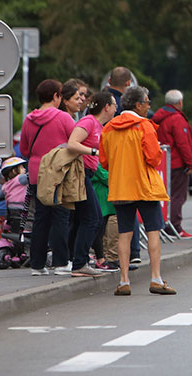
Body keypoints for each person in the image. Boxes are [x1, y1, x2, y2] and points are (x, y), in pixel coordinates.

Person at [100, 86, 175, 296]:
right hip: (144, 187)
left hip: (120, 188)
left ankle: (124, 281)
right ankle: (156, 279)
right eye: (148, 102)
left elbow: (104, 161)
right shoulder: (144, 126)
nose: (149, 106)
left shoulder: (108, 128)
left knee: (125, 233)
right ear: (139, 104)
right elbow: (153, 157)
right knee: (153, 231)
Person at [20, 78, 76, 275]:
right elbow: (75, 143)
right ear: (55, 96)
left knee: (41, 218)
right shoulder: (63, 118)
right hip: (58, 173)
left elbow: (25, 149)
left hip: (36, 173)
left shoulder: (29, 119)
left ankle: (37, 264)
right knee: (61, 216)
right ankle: (61, 262)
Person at [64, 91, 116, 276]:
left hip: (87, 174)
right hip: (80, 174)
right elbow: (72, 143)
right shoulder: (88, 122)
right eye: (114, 105)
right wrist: (94, 152)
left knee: (82, 219)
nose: (116, 109)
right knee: (93, 218)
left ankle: (75, 261)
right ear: (106, 107)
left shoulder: (98, 125)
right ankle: (79, 263)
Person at [151, 89, 192, 239]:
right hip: (177, 163)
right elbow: (183, 143)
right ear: (180, 102)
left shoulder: (159, 117)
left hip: (164, 162)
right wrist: (190, 163)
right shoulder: (176, 119)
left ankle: (163, 225)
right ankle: (175, 226)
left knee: (165, 196)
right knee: (178, 196)